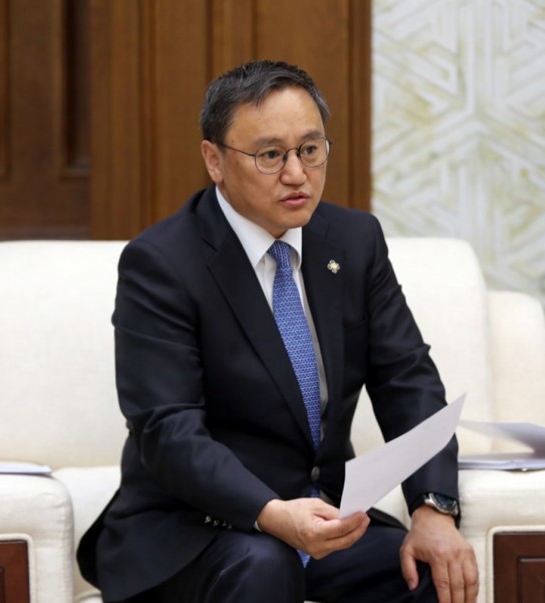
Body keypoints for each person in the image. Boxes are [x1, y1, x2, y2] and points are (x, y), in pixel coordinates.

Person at [77, 60, 478, 603]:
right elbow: (166, 429)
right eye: (270, 156)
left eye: (310, 150)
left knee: (427, 572)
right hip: (197, 526)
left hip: (323, 515)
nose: (296, 174)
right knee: (265, 566)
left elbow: (407, 380)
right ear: (214, 160)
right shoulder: (162, 263)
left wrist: (433, 510)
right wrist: (270, 514)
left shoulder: (354, 241)